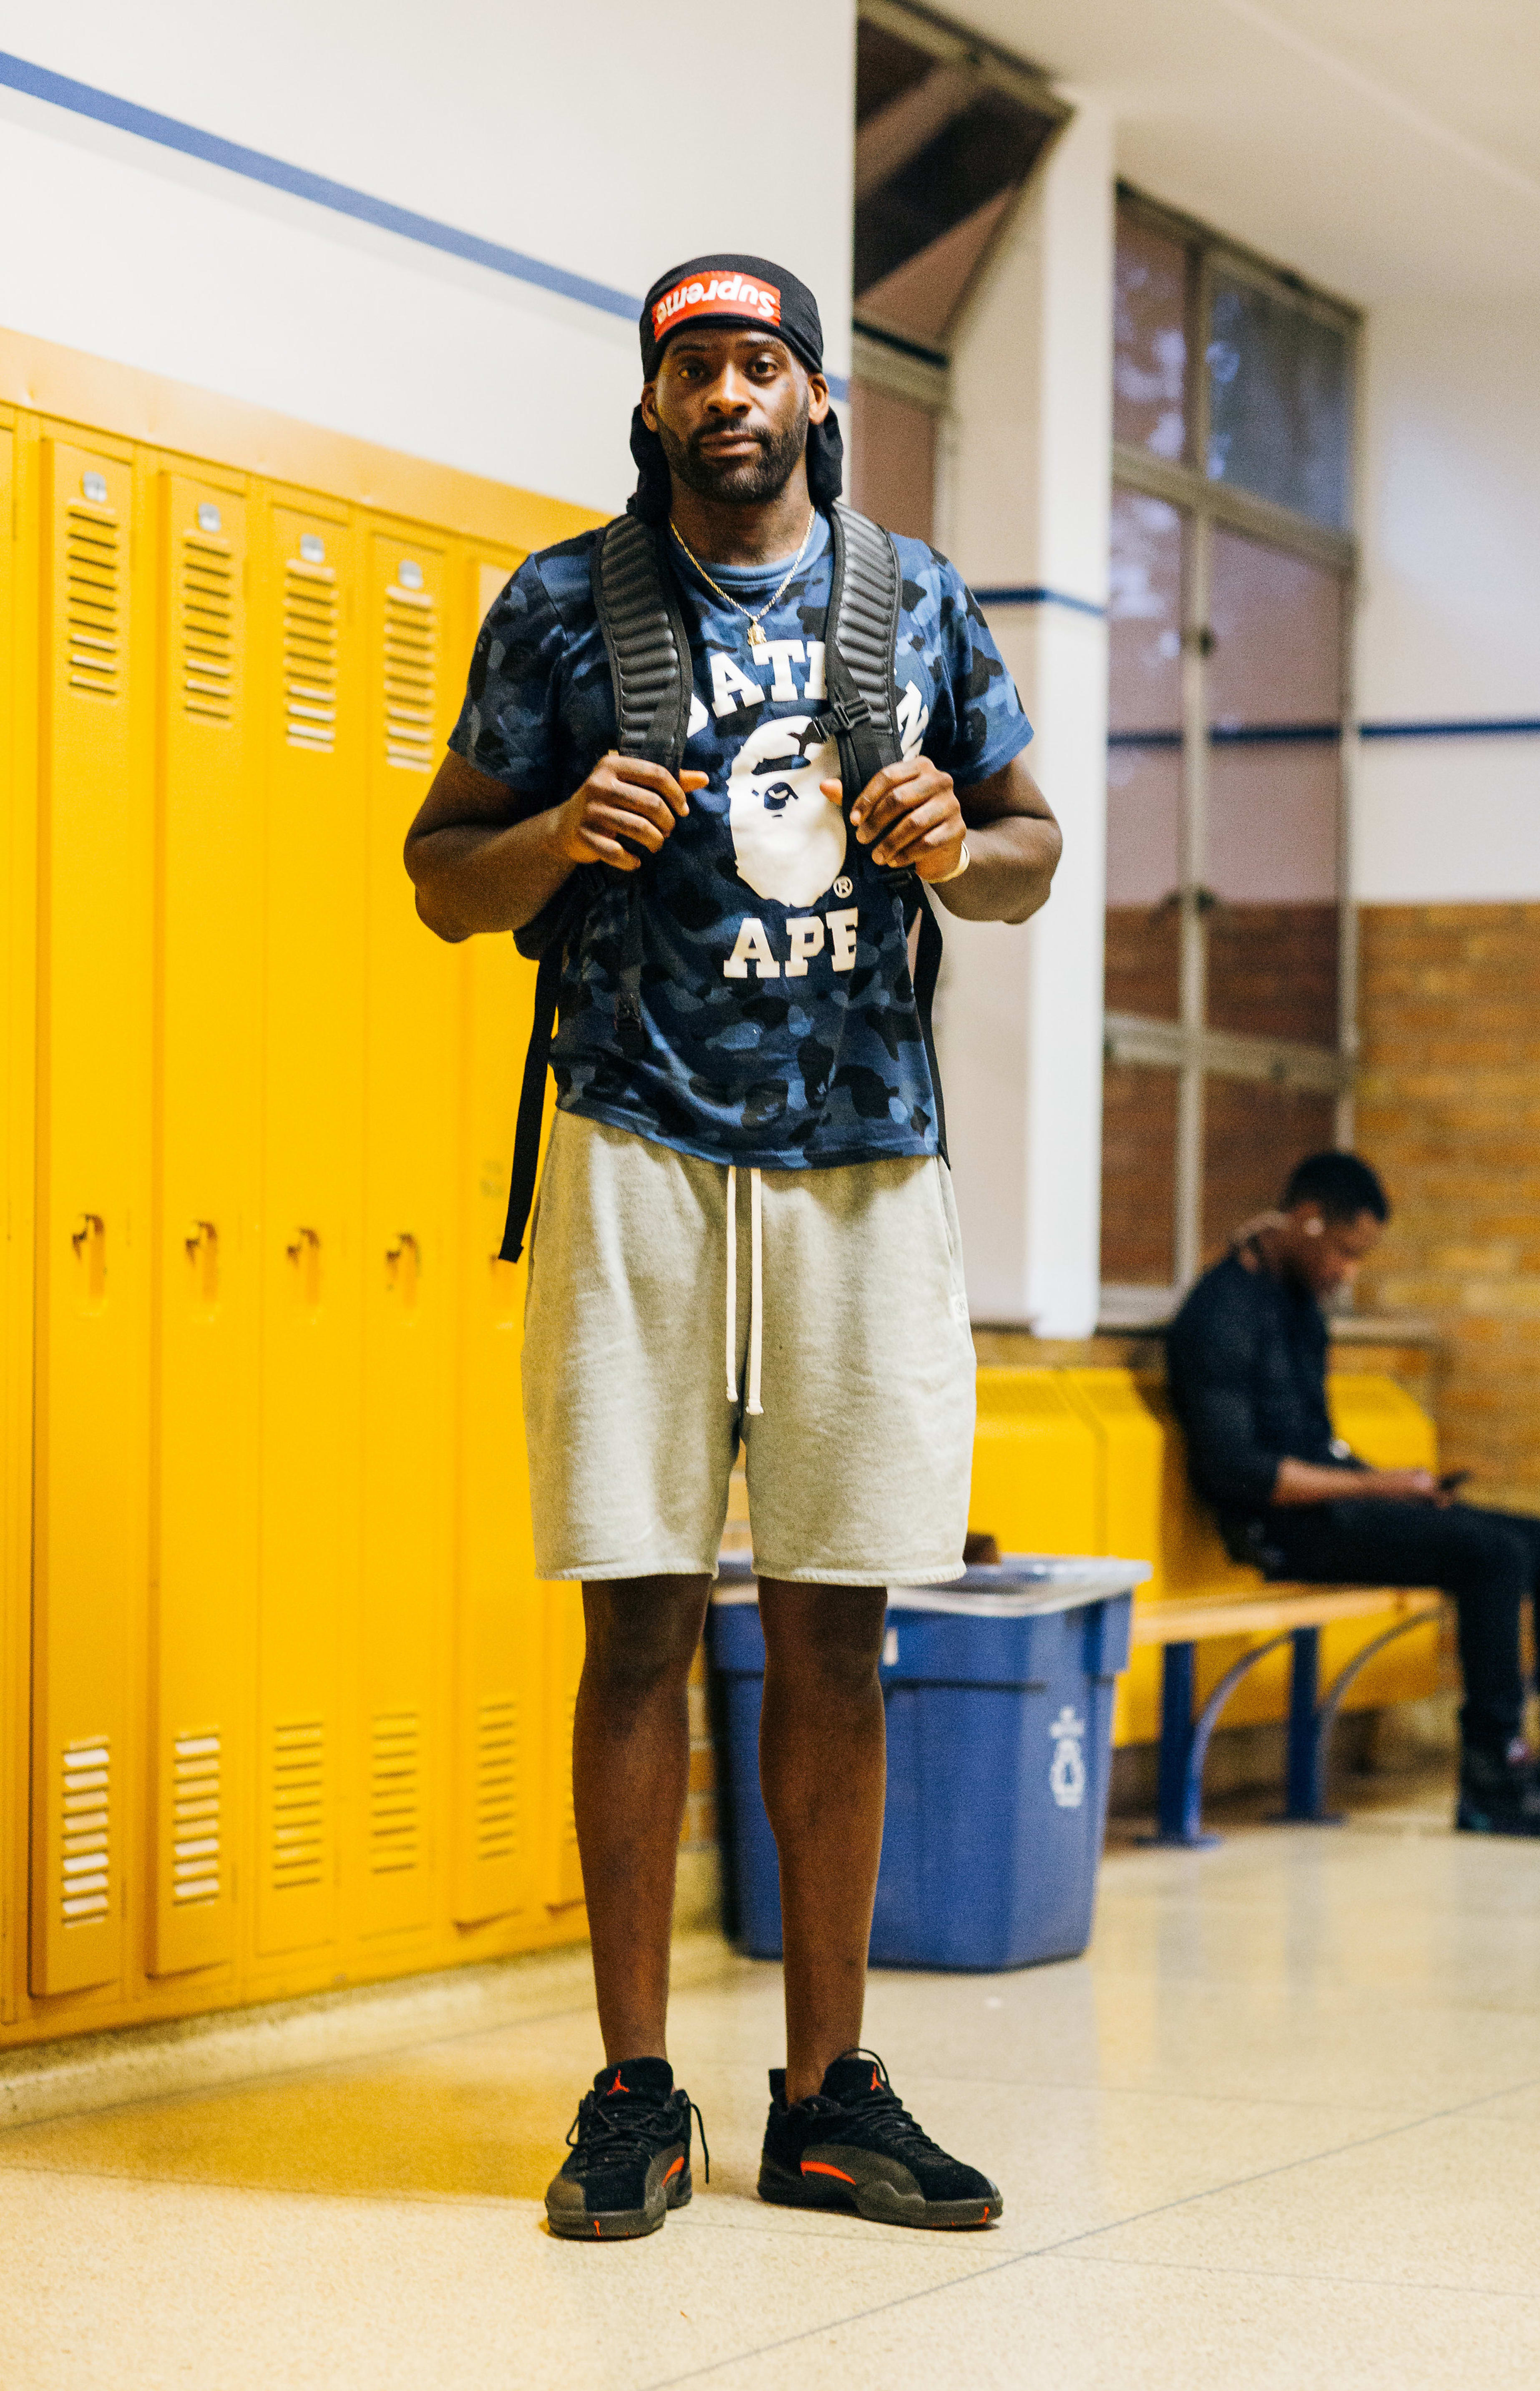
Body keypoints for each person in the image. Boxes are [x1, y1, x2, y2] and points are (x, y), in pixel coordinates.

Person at [404, 253, 1059, 2239]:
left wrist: (960, 837)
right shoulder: (560, 605)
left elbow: (1028, 855)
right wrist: (553, 836)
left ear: (812, 393)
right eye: (689, 367)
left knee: (843, 1618)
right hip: (634, 1144)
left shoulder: (915, 597)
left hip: (864, 1155)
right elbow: (442, 879)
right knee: (638, 1614)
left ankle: (829, 2090)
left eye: (755, 359)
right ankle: (631, 2090)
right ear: (652, 407)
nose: (724, 395)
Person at [1166, 1150, 1540, 1840]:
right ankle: (1492, 1773)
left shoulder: (1301, 1307)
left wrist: (1404, 1490)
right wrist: (1378, 1485)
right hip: (1280, 1532)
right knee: (1493, 1556)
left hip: (1337, 1510)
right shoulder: (1218, 1313)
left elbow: (1314, 1441)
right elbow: (1239, 1473)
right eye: (1345, 1251)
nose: (1349, 1272)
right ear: (1307, 1221)